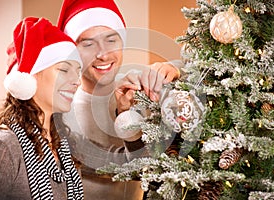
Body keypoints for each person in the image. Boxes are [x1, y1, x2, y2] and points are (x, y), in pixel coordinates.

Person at [57, 0, 183, 199]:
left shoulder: (139, 87)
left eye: (111, 40)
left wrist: (174, 70)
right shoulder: (60, 107)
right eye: (88, 44)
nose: (103, 54)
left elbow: (204, 72)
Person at [0, 17, 84, 200]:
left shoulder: (65, 145)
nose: (77, 81)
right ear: (31, 77)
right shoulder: (1, 147)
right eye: (64, 70)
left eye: (78, 71)